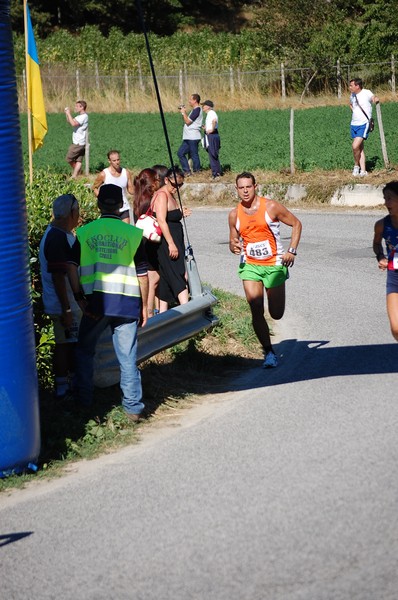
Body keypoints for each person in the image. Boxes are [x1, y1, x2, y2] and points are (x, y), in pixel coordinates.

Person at [71, 184, 149, 422]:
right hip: (126, 303)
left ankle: (83, 403)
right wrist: (144, 307)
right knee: (127, 358)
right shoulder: (135, 235)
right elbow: (143, 276)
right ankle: (133, 408)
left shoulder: (84, 233)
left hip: (96, 304)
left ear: (98, 205)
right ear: (120, 206)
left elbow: (71, 269)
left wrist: (79, 298)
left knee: (84, 351)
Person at [228, 172, 302, 368]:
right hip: (250, 266)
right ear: (236, 189)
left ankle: (273, 309)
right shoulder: (234, 214)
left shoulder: (270, 206)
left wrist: (292, 251)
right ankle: (268, 352)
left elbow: (296, 224)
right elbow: (233, 239)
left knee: (276, 313)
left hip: (274, 265)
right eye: (241, 187)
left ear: (255, 186)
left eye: (248, 187)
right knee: (255, 308)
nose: (245, 191)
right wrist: (233, 246)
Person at [39, 194, 81, 398]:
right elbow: (58, 277)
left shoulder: (59, 233)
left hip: (65, 303)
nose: (79, 215)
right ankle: (63, 388)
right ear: (71, 213)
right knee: (64, 345)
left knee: (69, 343)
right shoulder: (56, 238)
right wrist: (66, 309)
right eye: (78, 211)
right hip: (62, 304)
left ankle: (69, 384)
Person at [152, 167, 191, 312]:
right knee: (178, 274)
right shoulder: (162, 195)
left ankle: (162, 312)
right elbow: (162, 221)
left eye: (180, 185)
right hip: (168, 243)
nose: (177, 188)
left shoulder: (169, 193)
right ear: (166, 180)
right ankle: (186, 310)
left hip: (174, 240)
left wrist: (180, 212)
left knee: (166, 277)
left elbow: (170, 215)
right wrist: (171, 244)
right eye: (174, 185)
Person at [133, 168, 161, 317]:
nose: (158, 181)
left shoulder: (138, 197)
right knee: (153, 280)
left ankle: (152, 311)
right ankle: (149, 313)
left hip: (143, 241)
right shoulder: (148, 200)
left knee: (152, 280)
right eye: (156, 179)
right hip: (150, 242)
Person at [373, 181, 398, 342]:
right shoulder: (382, 225)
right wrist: (380, 256)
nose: (386, 203)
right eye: (385, 198)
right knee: (396, 328)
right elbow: (376, 243)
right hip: (394, 277)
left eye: (390, 198)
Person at [92, 150, 134, 223]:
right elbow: (94, 187)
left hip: (124, 208)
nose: (117, 162)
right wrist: (101, 198)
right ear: (109, 161)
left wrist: (141, 189)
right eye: (114, 160)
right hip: (110, 210)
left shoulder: (126, 173)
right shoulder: (104, 174)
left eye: (118, 160)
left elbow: (130, 190)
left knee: (125, 231)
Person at [349, 78, 379, 177]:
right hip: (354, 124)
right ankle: (363, 171)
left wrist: (375, 99)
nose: (350, 88)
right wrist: (354, 112)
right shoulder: (352, 95)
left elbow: (373, 98)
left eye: (351, 86)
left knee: (355, 146)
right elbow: (350, 104)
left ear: (357, 86)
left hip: (364, 123)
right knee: (360, 148)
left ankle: (356, 166)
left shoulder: (366, 92)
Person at [177, 94, 202, 176]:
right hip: (188, 137)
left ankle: (197, 171)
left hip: (193, 137)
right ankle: (187, 171)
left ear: (195, 100)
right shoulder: (194, 110)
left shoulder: (197, 110)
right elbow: (189, 120)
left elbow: (187, 122)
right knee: (180, 153)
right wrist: (184, 113)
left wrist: (183, 113)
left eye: (190, 100)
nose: (189, 101)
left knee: (194, 155)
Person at [65, 100, 88, 179]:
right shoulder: (79, 116)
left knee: (69, 158)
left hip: (78, 143)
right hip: (80, 142)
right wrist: (67, 114)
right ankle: (75, 175)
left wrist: (69, 114)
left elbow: (73, 124)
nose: (75, 108)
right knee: (78, 160)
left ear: (82, 107)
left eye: (77, 106)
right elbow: (70, 121)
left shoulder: (83, 117)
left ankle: (77, 172)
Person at [201, 99, 221, 179]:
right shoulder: (209, 114)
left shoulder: (212, 113)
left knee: (213, 154)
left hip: (212, 135)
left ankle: (216, 174)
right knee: (212, 153)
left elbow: (214, 121)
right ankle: (216, 173)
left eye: (204, 106)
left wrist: (212, 129)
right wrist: (206, 128)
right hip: (210, 135)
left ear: (208, 107)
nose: (203, 107)